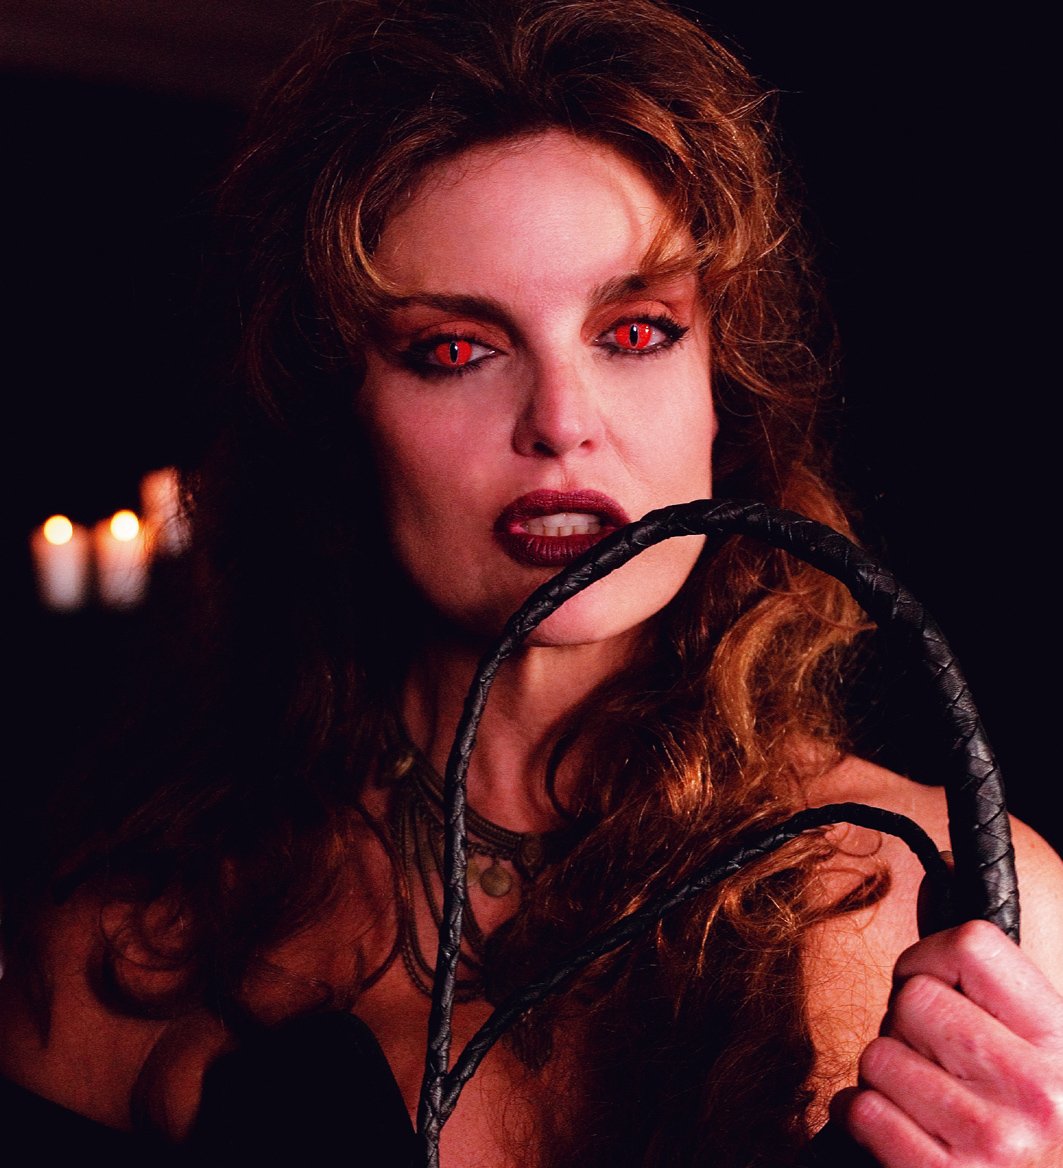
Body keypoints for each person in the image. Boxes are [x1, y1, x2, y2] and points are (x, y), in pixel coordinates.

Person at [2, 1, 1062, 1165]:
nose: (561, 421)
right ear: (340, 423)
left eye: (636, 332)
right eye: (456, 350)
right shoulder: (131, 945)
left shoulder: (962, 905)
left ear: (721, 392)